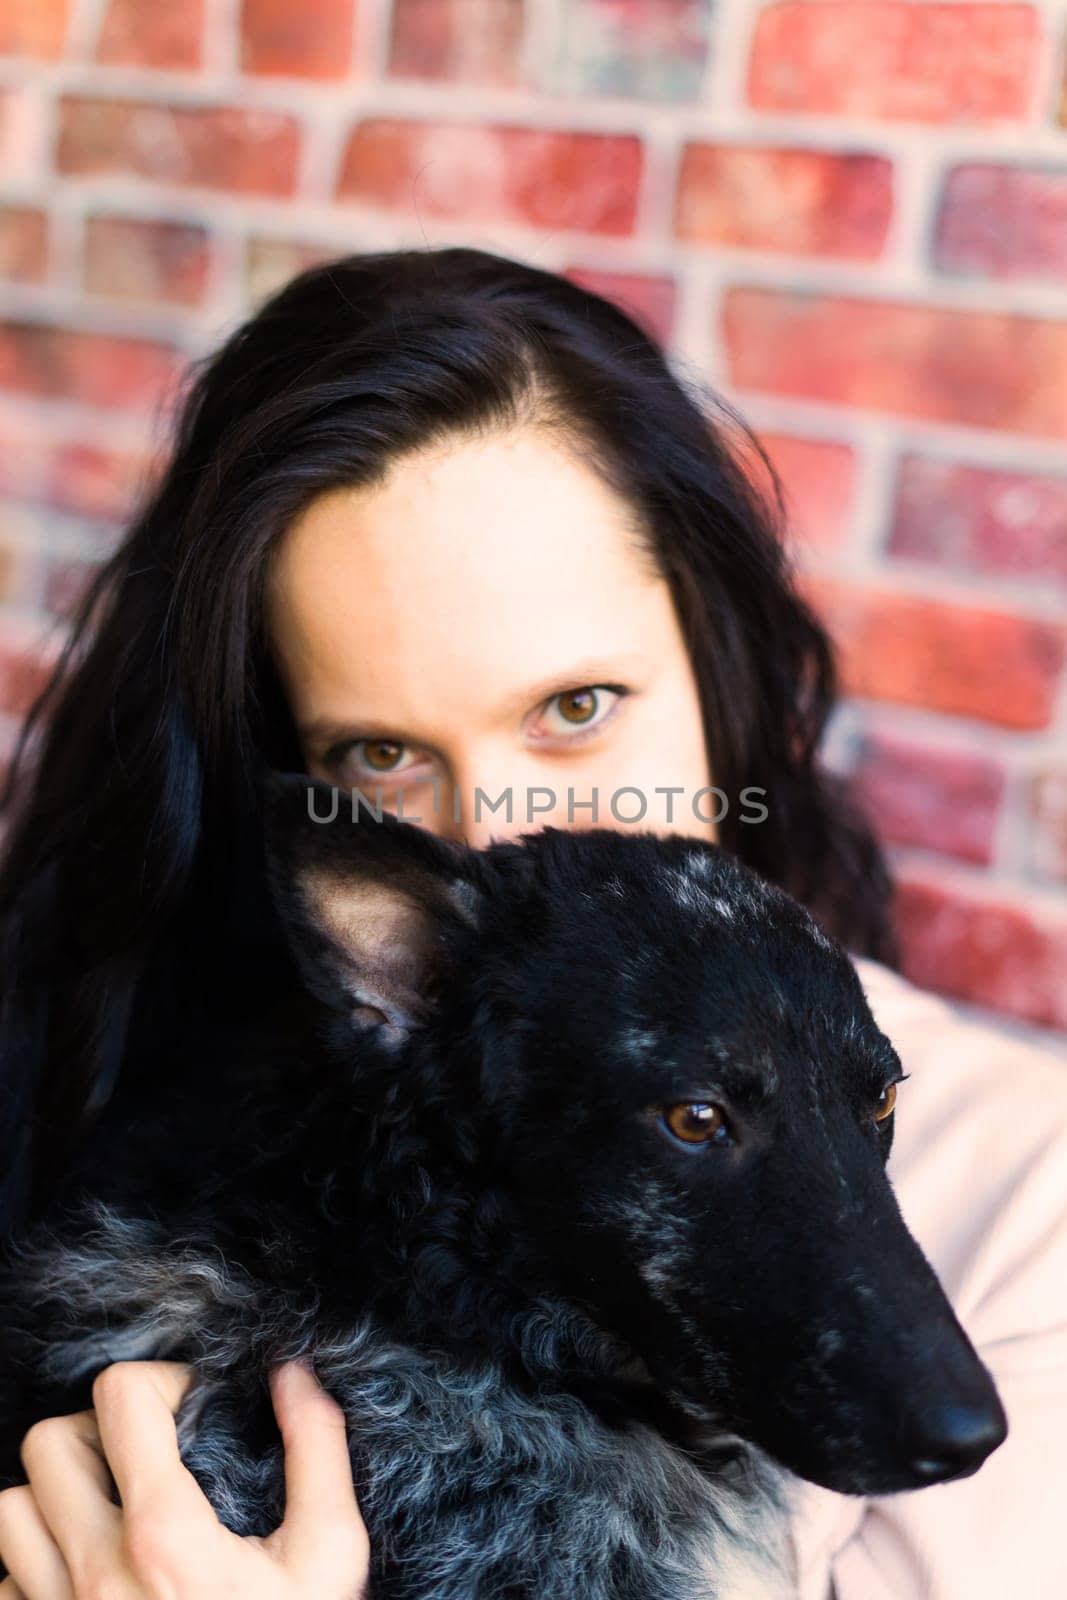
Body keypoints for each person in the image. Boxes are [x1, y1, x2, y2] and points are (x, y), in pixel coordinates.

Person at [0, 246, 1063, 1600]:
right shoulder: (149, 1152)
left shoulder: (1028, 1205)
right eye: (382, 753)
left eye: (574, 710)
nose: (506, 838)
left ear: (716, 668)